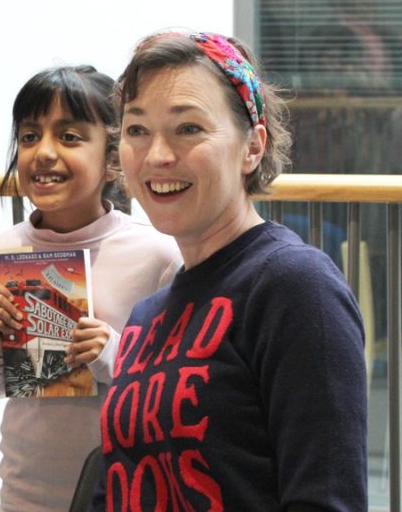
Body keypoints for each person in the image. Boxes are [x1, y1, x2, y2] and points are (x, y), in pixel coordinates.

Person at [96, 30, 367, 510]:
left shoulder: (294, 286)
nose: (156, 155)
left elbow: (325, 496)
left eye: (188, 128)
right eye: (137, 130)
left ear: (252, 148)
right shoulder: (146, 316)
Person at [0, 65, 181, 511]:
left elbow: (173, 396)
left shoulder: (157, 256)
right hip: (24, 492)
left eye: (68, 137)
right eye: (29, 137)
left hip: (128, 491)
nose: (42, 153)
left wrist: (112, 355)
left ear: (113, 159)